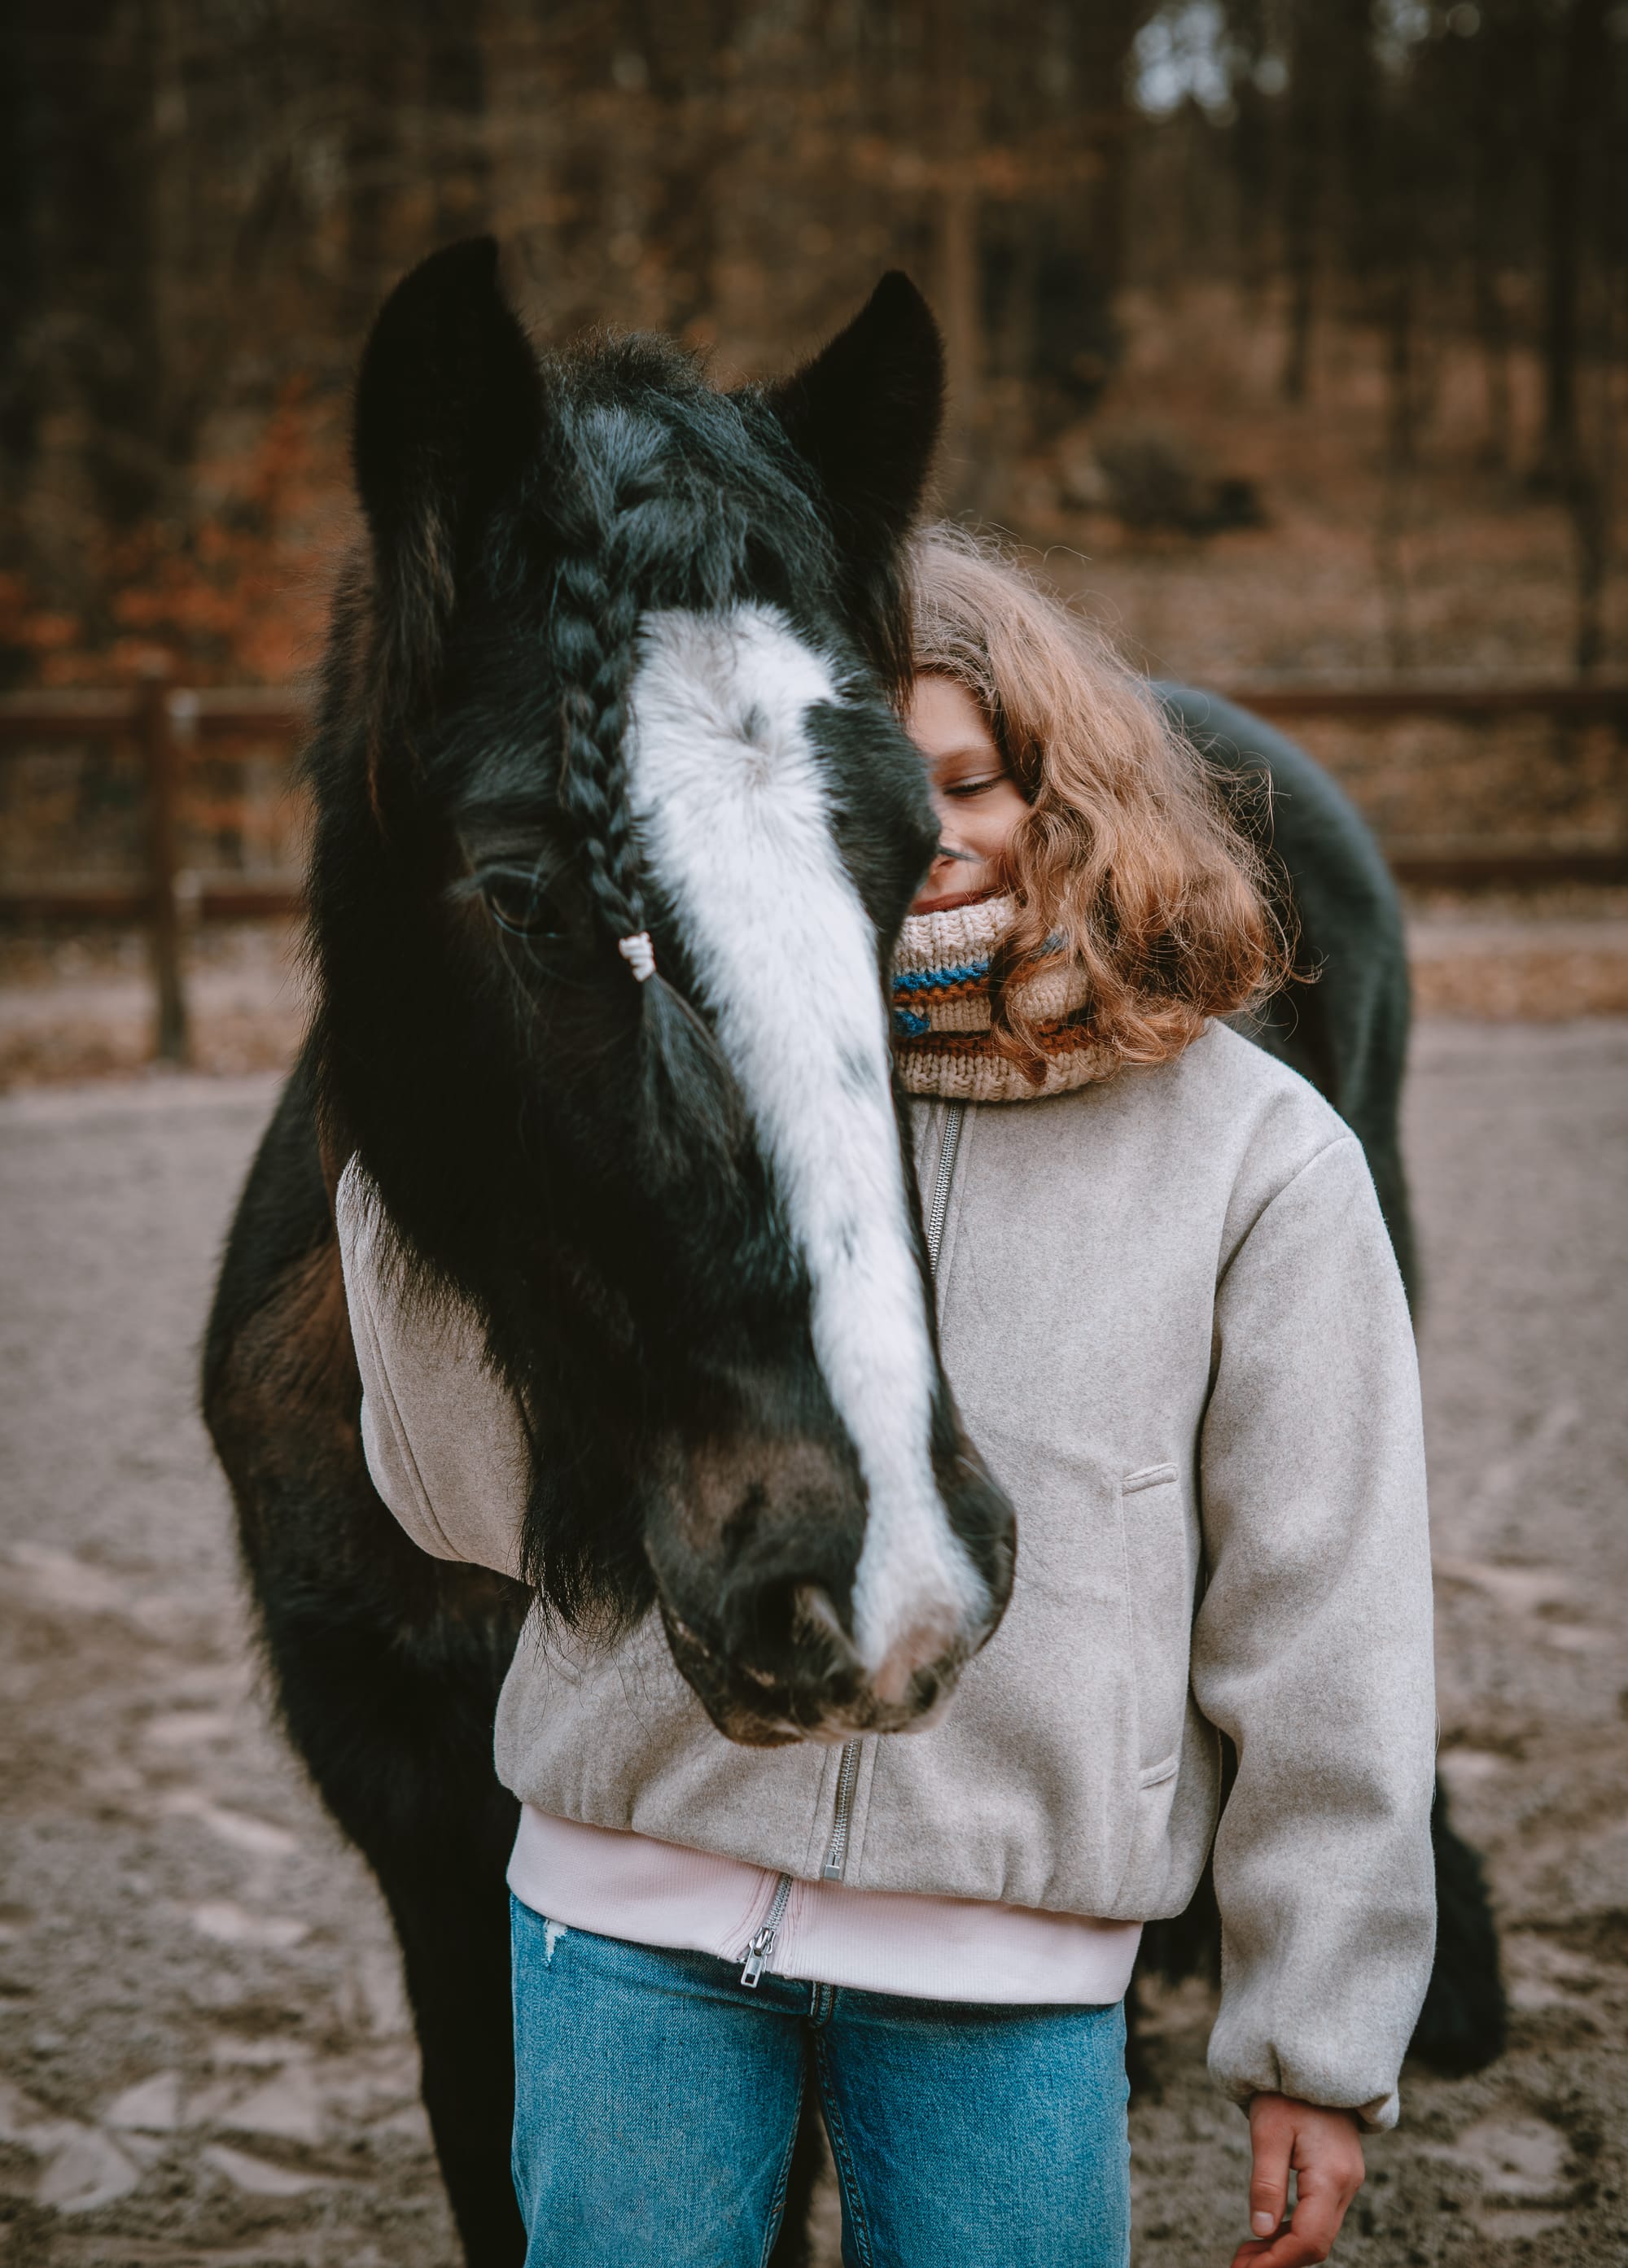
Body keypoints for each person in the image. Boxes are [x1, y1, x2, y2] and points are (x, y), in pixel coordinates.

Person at [336, 527, 1437, 2268]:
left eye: (967, 781)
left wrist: (1318, 2029)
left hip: (1001, 1970)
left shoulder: (1252, 1155)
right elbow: (470, 1509)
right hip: (629, 1926)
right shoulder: (633, 1090)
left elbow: (1327, 1610)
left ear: (1061, 788)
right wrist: (422, 1149)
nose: (921, 834)